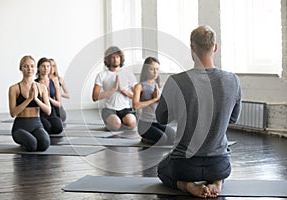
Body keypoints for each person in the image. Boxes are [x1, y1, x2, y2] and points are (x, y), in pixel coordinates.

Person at [155, 25, 242, 198]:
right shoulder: (233, 80)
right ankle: (217, 182)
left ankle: (188, 186)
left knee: (162, 170)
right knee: (220, 171)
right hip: (219, 165)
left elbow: (161, 119)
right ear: (215, 47)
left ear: (192, 48)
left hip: (184, 166)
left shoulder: (175, 81)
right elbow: (233, 119)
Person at [8, 55, 51, 151]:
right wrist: (29, 99)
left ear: (35, 68)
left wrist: (36, 99)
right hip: (20, 126)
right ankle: (25, 140)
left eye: (32, 66)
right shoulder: (14, 88)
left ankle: (31, 138)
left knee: (44, 144)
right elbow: (13, 113)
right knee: (32, 145)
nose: (29, 69)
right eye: (26, 66)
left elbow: (48, 111)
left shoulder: (41, 87)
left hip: (36, 124)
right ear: (21, 68)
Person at [92, 46, 137, 131]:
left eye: (117, 57)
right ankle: (115, 122)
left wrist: (123, 90)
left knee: (132, 123)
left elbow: (137, 96)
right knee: (115, 125)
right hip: (109, 109)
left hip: (125, 109)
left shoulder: (127, 73)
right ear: (108, 60)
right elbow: (95, 97)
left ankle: (122, 121)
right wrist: (113, 89)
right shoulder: (102, 75)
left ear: (120, 58)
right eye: (112, 57)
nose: (115, 59)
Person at [133, 57, 175, 145]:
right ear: (146, 70)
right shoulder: (139, 86)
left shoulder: (161, 85)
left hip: (158, 122)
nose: (155, 72)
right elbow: (135, 106)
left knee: (173, 137)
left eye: (157, 69)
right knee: (162, 140)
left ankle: (152, 138)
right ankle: (145, 139)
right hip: (145, 124)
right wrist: (154, 99)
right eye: (152, 69)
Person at [35, 57, 63, 135]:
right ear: (38, 68)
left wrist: (49, 98)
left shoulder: (54, 82)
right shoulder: (34, 83)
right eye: (43, 66)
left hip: (52, 112)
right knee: (47, 126)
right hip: (39, 113)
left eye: (48, 66)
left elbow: (58, 103)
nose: (46, 68)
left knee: (58, 128)